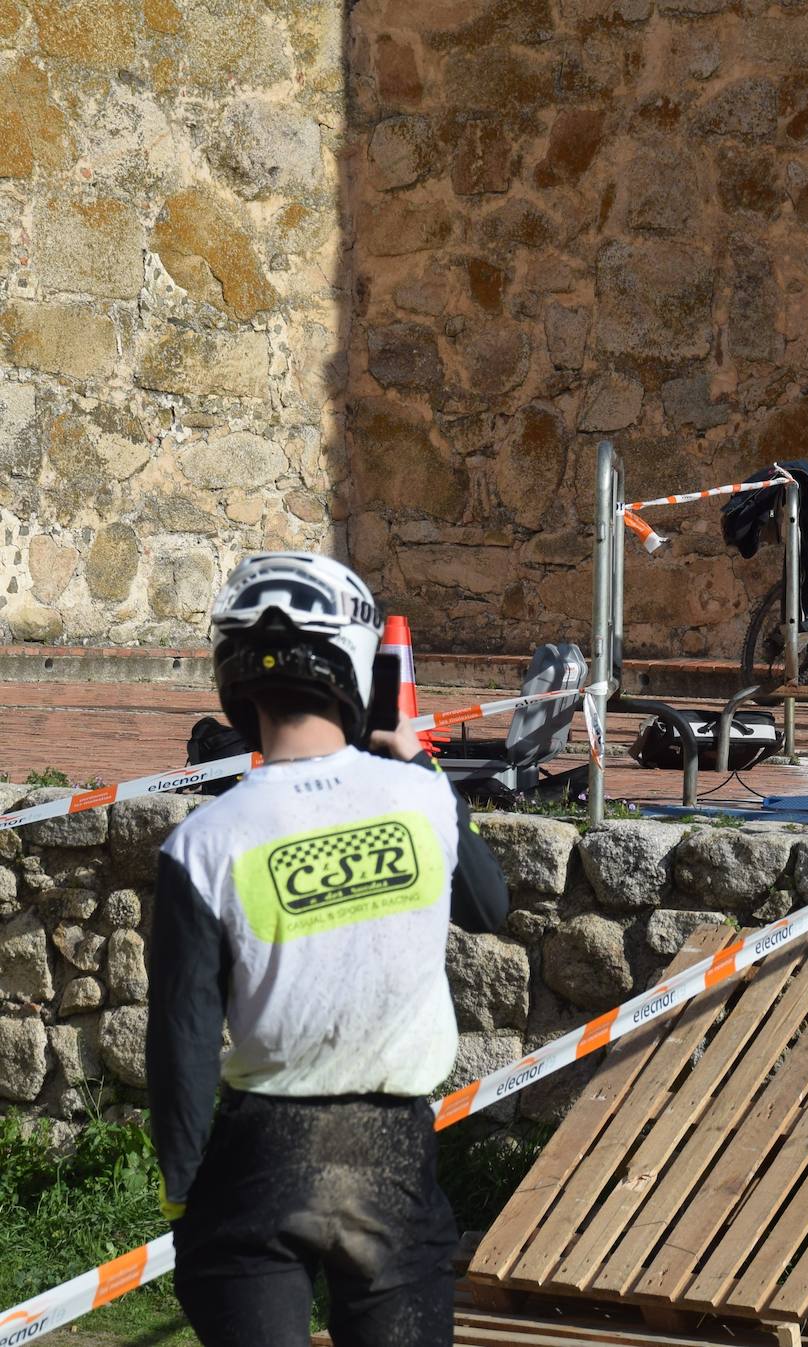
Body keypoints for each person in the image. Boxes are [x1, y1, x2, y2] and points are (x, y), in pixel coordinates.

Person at [146, 552, 510, 1347]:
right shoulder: (419, 797)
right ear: (353, 660)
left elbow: (181, 1042)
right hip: (392, 1156)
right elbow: (492, 904)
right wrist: (420, 761)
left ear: (233, 678)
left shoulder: (203, 843)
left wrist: (184, 1196)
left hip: (259, 1160)